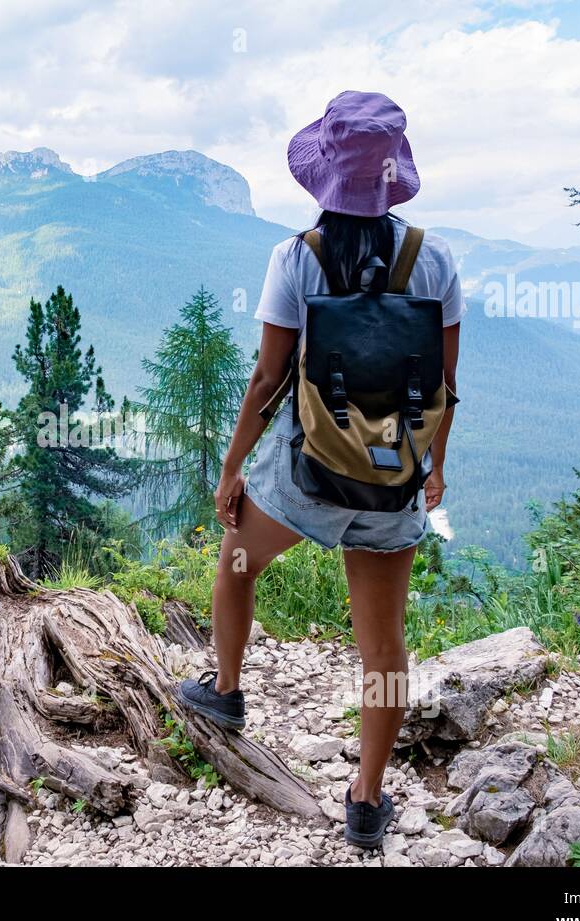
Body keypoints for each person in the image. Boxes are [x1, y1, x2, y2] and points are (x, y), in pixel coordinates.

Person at [176, 91, 464, 849]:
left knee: (237, 560)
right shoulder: (434, 259)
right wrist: (433, 470)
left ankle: (228, 692)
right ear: (394, 175)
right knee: (384, 646)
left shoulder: (294, 258)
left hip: (307, 474)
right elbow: (445, 385)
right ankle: (367, 800)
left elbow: (267, 383)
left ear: (326, 176)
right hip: (390, 476)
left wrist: (233, 468)